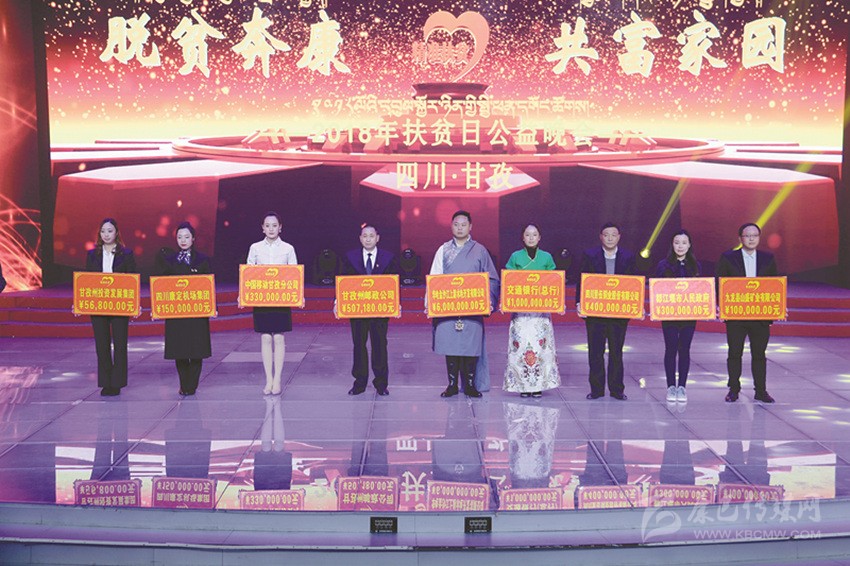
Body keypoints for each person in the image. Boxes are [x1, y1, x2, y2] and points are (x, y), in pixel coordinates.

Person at [429, 210, 500, 398]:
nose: (460, 228)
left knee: (470, 345)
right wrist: (431, 302)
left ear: (470, 227)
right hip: (448, 308)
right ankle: (452, 384)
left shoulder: (480, 250)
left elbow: (492, 279)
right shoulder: (443, 250)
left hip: (472, 308)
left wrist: (489, 300)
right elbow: (435, 277)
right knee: (451, 345)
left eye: (463, 224)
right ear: (451, 226)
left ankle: (470, 385)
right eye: (456, 224)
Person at [716, 223, 779, 403]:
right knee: (735, 353)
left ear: (759, 237)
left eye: (755, 235)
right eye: (747, 236)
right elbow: (720, 284)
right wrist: (721, 306)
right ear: (740, 238)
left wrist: (778, 306)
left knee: (759, 355)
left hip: (760, 316)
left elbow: (775, 285)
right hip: (736, 316)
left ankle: (761, 391)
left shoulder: (768, 259)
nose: (751, 239)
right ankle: (733, 389)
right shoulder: (728, 258)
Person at [576, 222, 636, 400]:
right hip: (595, 312)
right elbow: (582, 280)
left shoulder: (628, 257)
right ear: (601, 237)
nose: (610, 238)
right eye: (606, 235)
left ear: (619, 237)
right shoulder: (590, 255)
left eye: (613, 235)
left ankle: (617, 390)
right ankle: (596, 390)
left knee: (616, 352)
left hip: (618, 313)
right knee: (595, 351)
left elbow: (634, 283)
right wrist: (579, 302)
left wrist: (636, 305)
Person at [502, 224, 561, 398]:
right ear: (523, 237)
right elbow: (509, 280)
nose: (531, 238)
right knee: (520, 347)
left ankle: (538, 385)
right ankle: (522, 385)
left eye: (534, 235)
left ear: (539, 237)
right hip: (521, 311)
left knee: (540, 347)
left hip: (540, 312)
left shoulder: (546, 257)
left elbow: (553, 281)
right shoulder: (515, 256)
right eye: (527, 235)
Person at [340, 224, 398, 396]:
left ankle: (381, 383)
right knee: (359, 344)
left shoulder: (388, 257)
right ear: (360, 238)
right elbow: (343, 283)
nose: (368, 239)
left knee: (379, 344)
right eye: (365, 236)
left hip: (380, 310)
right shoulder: (350, 257)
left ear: (377, 238)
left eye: (371, 236)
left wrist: (396, 303)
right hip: (357, 310)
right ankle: (359, 383)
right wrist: (338, 301)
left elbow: (393, 283)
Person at [156, 222, 212, 396]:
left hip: (197, 312)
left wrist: (212, 307)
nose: (183, 240)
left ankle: (191, 385)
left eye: (187, 237)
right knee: (179, 349)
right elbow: (162, 286)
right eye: (180, 237)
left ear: (193, 238)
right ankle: (183, 384)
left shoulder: (202, 260)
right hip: (177, 312)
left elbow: (208, 285)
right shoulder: (169, 261)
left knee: (196, 349)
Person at [247, 212, 297, 395]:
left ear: (280, 227)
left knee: (279, 338)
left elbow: (294, 275)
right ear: (262, 228)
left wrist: (297, 295)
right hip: (262, 299)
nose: (271, 229)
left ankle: (278, 380)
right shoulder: (255, 248)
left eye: (274, 225)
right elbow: (248, 275)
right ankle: (268, 379)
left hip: (281, 299)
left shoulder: (288, 248)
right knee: (266, 337)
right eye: (267, 225)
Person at [86, 218, 136, 396]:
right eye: (103, 231)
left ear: (116, 233)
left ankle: (117, 383)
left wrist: (134, 304)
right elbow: (86, 281)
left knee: (120, 345)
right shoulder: (92, 254)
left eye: (110, 231)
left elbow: (132, 281)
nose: (106, 235)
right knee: (102, 345)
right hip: (98, 304)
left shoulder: (126, 254)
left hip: (119, 304)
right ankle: (106, 382)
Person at [655, 230, 701, 403]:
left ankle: (682, 387)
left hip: (689, 316)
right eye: (677, 242)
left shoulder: (696, 265)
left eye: (684, 242)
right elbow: (658, 289)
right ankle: (670, 386)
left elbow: (700, 289)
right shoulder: (663, 265)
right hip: (669, 315)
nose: (680, 246)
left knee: (685, 349)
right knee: (671, 348)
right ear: (672, 245)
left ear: (689, 245)